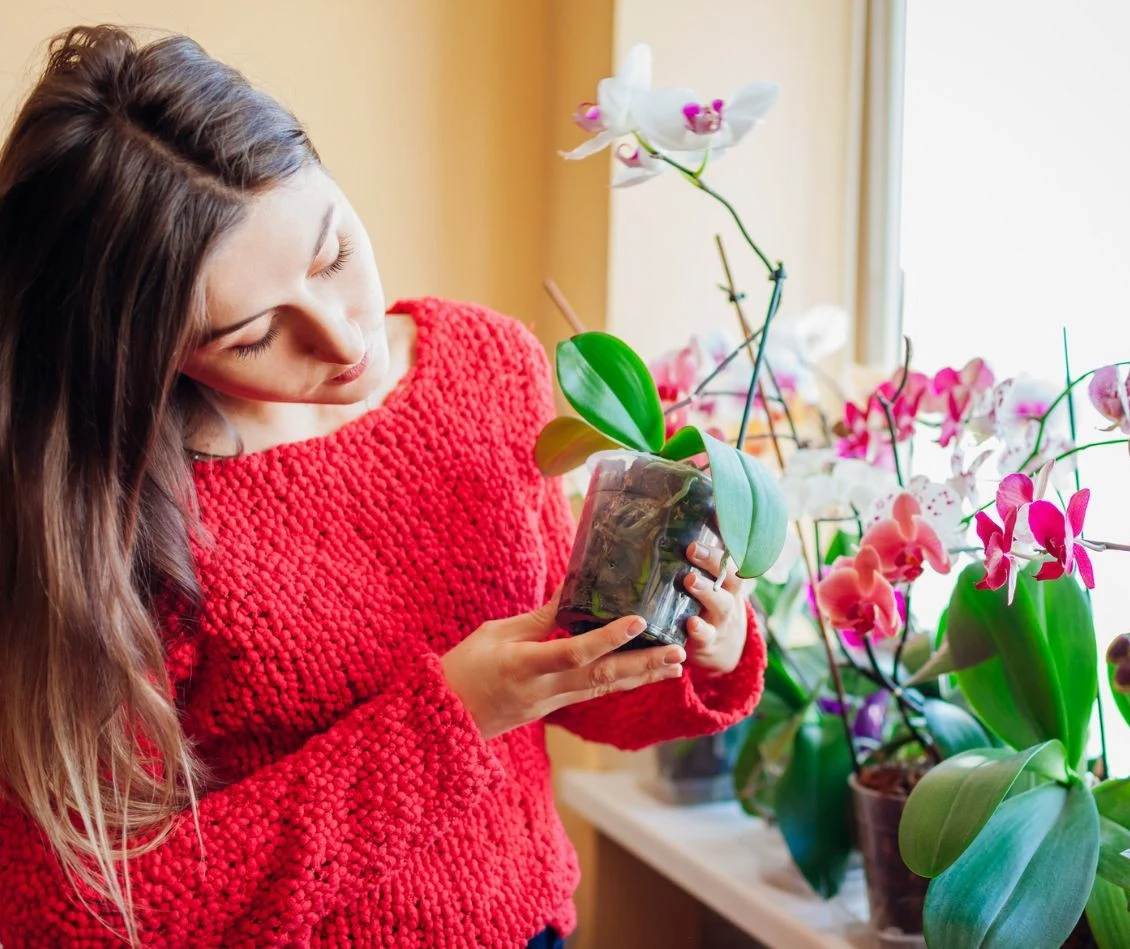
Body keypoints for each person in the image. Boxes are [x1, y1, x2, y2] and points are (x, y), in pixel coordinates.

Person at [0, 25, 766, 948]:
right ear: (143, 349)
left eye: (331, 256)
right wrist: (446, 720)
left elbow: (572, 680)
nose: (341, 338)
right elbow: (82, 911)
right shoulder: (105, 516)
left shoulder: (488, 366)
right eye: (250, 335)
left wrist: (703, 643)